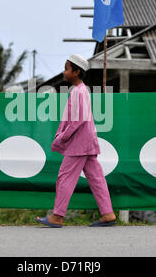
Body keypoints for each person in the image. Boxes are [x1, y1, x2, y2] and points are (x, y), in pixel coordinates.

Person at [34, 54, 116, 228]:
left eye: (66, 68)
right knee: (96, 178)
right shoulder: (82, 90)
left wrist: (63, 137)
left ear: (76, 71)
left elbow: (79, 119)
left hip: (78, 145)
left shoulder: (79, 92)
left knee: (64, 178)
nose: (64, 72)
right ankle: (108, 214)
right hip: (87, 142)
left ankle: (57, 216)